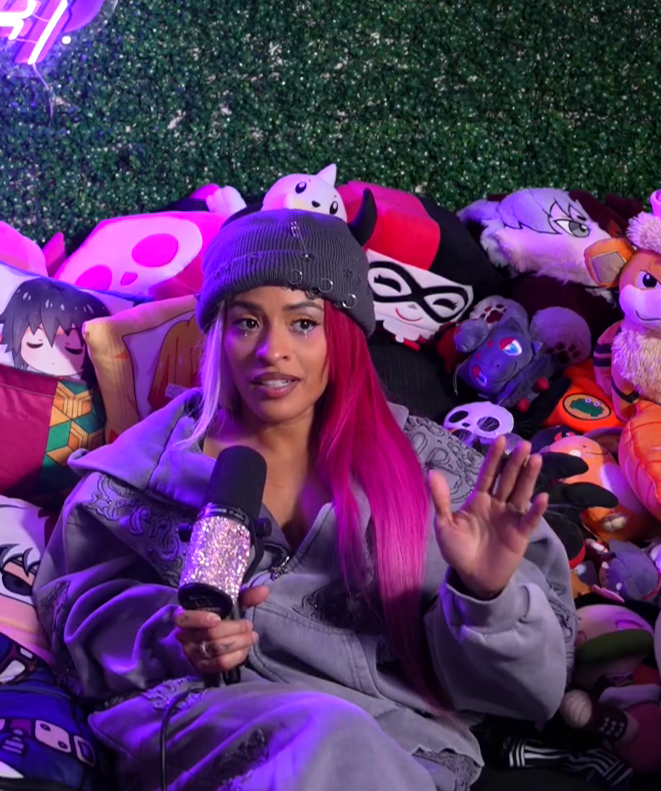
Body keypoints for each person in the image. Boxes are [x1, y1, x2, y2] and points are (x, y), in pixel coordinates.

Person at [36, 209, 576, 791]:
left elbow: (533, 694)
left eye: (303, 323)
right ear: (217, 334)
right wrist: (174, 635)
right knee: (328, 733)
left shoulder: (431, 471)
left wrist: (486, 598)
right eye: (247, 322)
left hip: (398, 753)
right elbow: (75, 619)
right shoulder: (140, 474)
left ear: (341, 334)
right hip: (207, 724)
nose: (273, 350)